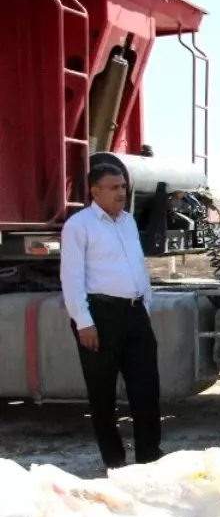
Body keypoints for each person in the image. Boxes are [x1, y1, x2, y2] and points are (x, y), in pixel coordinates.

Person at [60, 163, 163, 470]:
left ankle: (149, 457)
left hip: (134, 315)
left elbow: (138, 267)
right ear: (95, 191)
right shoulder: (79, 226)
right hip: (100, 317)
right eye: (114, 187)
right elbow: (71, 277)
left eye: (123, 186)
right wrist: (84, 321)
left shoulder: (128, 222)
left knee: (146, 388)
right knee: (103, 394)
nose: (122, 192)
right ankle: (115, 462)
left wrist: (144, 307)